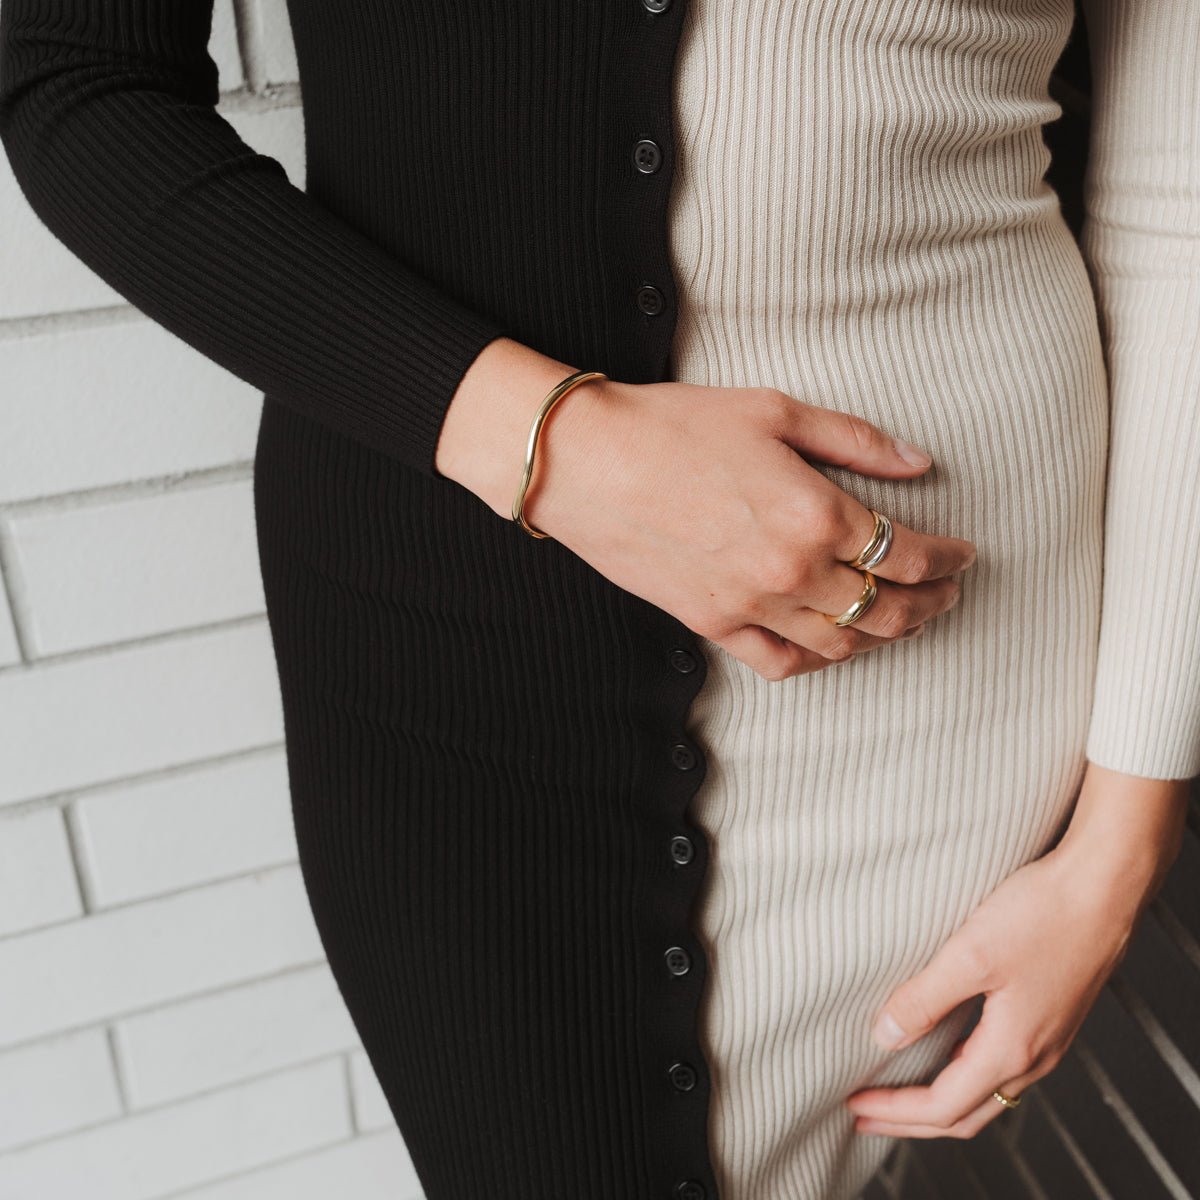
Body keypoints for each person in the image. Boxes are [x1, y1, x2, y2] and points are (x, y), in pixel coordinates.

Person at [0, 2, 1193, 1198]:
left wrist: (1120, 844)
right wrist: (564, 453)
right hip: (456, 648)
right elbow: (80, 84)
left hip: (944, 662)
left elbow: (1177, 209)